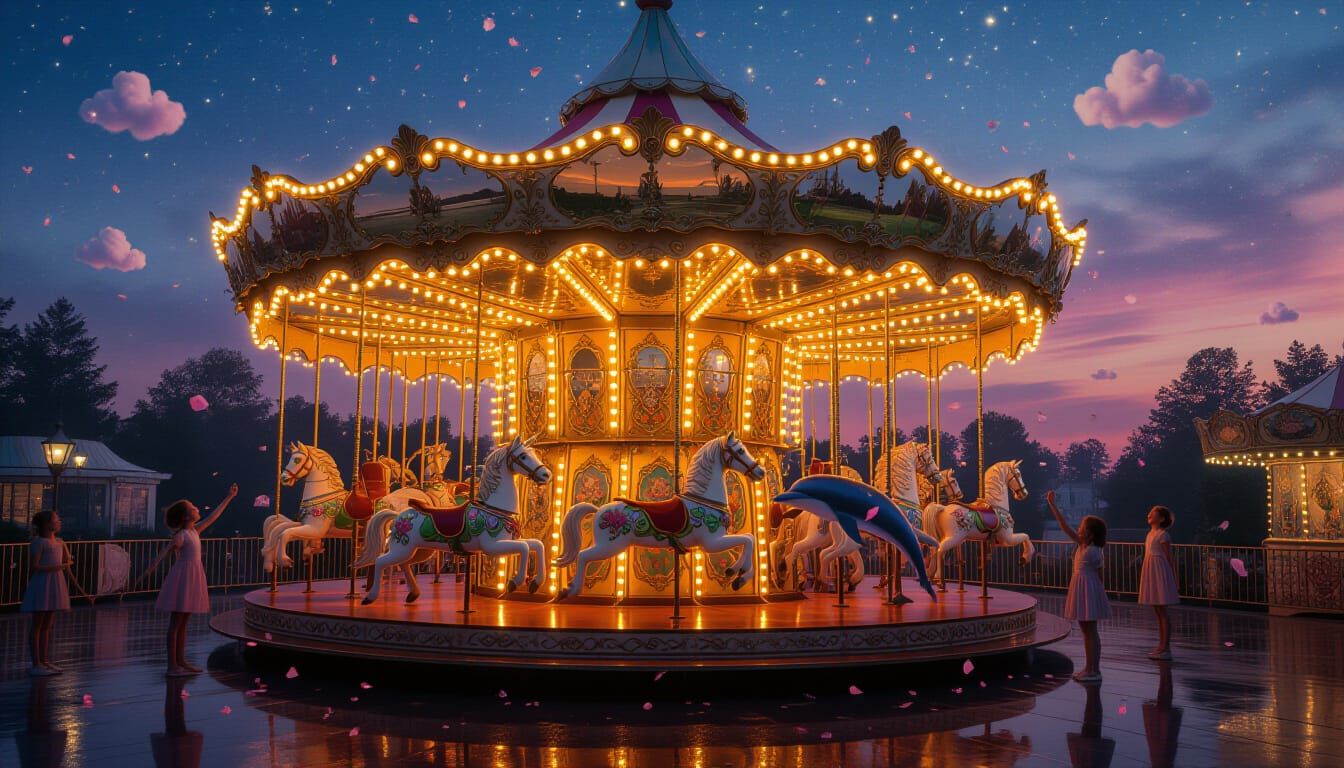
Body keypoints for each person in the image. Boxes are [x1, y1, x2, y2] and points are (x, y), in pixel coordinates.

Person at [143, 484, 236, 676]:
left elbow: (214, 516)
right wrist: (150, 569)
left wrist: (229, 497)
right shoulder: (182, 535)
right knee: (176, 623)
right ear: (186, 517)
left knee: (184, 622)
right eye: (193, 507)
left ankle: (181, 661)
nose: (197, 508)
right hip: (183, 579)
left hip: (192, 576)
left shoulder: (195, 531)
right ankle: (172, 666)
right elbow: (165, 552)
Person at [1046, 489, 1111, 683]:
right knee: (1086, 630)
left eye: (1082, 527)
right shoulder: (1083, 545)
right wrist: (1053, 505)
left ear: (1089, 534)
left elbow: (1100, 575)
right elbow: (1064, 526)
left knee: (1090, 630)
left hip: (1088, 589)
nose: (1078, 529)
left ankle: (1094, 669)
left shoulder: (1093, 550)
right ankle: (1089, 667)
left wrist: (1098, 595)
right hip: (1084, 587)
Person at [20, 511, 92, 676]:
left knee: (47, 624)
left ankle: (44, 661)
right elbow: (35, 566)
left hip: (54, 583)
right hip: (42, 584)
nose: (59, 522)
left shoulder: (60, 542)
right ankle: (36, 662)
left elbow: (66, 563)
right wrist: (57, 567)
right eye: (56, 520)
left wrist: (83, 592)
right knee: (38, 624)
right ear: (48, 524)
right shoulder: (39, 542)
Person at [1139, 505, 1179, 660]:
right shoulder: (1150, 534)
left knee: (1162, 610)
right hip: (1151, 567)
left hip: (1159, 569)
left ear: (1161, 519)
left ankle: (1165, 646)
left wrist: (1173, 577)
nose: (1149, 515)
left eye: (1153, 514)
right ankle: (1161, 645)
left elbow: (1169, 557)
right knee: (1157, 610)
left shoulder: (1163, 535)